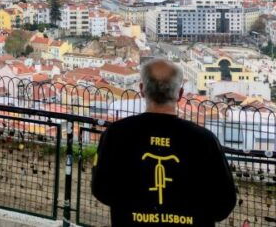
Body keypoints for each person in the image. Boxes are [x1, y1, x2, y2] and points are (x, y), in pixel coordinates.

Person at [92, 59, 237, 226]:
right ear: (180, 94)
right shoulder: (205, 140)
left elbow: (101, 189)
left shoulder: (116, 134)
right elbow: (224, 202)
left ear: (142, 90)